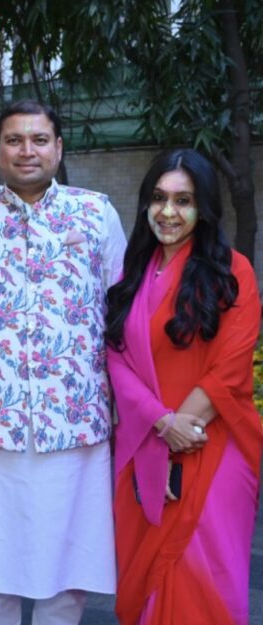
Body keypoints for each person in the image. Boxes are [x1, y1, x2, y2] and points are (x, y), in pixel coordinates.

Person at [0, 100, 126, 625]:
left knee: (68, 566)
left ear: (59, 147)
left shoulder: (96, 213)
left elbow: (124, 310)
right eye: (15, 140)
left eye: (40, 139)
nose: (28, 150)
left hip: (74, 423)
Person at [104, 148, 262, 625]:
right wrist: (161, 424)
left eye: (183, 200)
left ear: (204, 207)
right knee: (144, 576)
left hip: (212, 446)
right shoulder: (131, 273)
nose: (167, 212)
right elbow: (115, 357)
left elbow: (230, 369)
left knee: (203, 576)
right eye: (158, 198)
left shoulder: (232, 272)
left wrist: (178, 434)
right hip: (144, 443)